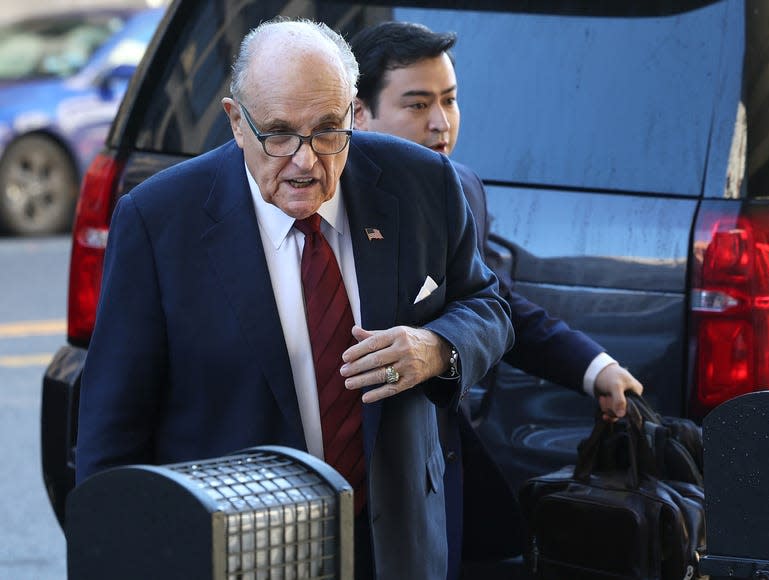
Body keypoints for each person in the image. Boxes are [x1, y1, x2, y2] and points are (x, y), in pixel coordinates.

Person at [74, 18, 513, 580]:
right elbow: (112, 437)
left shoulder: (422, 183)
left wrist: (437, 347)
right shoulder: (160, 221)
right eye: (279, 134)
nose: (306, 160)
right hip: (237, 551)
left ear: (354, 112)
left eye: (328, 131)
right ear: (236, 122)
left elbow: (489, 305)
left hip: (395, 542)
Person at [349, 21, 645, 578]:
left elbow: (493, 303)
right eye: (417, 105)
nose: (441, 122)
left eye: (450, 100)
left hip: (438, 468)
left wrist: (594, 367)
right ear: (358, 113)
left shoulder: (457, 187)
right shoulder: (315, 198)